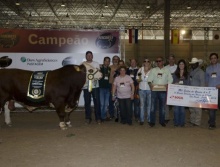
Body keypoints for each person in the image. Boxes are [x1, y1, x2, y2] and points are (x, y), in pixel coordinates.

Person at [147, 57, 173, 127]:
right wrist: (150, 85)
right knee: (153, 107)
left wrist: (167, 85)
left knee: (163, 107)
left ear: (163, 62)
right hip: (154, 90)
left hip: (163, 90)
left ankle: (162, 121)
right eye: (157, 61)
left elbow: (170, 79)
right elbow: (149, 80)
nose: (158, 62)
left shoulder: (167, 70)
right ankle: (152, 121)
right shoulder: (153, 70)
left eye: (160, 61)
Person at [82, 51, 101, 124]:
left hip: (95, 86)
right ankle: (88, 117)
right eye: (88, 55)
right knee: (87, 102)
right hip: (86, 86)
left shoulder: (96, 64)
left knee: (97, 102)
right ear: (86, 56)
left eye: (90, 55)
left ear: (92, 56)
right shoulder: (82, 64)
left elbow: (98, 74)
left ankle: (98, 117)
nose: (89, 56)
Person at [205, 53, 220, 129]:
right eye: (212, 58)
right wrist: (206, 89)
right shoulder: (208, 69)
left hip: (219, 90)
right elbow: (206, 80)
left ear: (217, 59)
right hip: (211, 92)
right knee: (211, 108)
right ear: (210, 60)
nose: (213, 59)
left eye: (215, 58)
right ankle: (212, 123)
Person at [172, 59, 189, 127]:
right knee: (176, 109)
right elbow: (172, 83)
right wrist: (175, 83)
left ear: (184, 65)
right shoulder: (175, 74)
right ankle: (176, 122)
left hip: (184, 94)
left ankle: (182, 123)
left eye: (182, 64)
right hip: (176, 93)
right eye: (180, 64)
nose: (181, 65)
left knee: (182, 109)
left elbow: (188, 83)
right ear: (178, 66)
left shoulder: (188, 74)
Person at [189, 57, 205, 126]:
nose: (193, 65)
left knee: (197, 108)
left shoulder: (201, 72)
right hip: (190, 92)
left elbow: (202, 83)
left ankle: (197, 122)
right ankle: (192, 120)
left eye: (194, 63)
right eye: (192, 64)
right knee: (191, 108)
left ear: (198, 64)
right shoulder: (190, 71)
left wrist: (201, 93)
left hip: (197, 92)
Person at [137, 58, 152, 125]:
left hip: (149, 89)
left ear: (150, 62)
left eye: (148, 61)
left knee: (149, 105)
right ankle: (142, 120)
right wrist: (139, 80)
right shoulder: (140, 69)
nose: (146, 62)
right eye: (145, 61)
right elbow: (137, 79)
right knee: (142, 105)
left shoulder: (152, 70)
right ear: (143, 62)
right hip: (141, 89)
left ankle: (149, 119)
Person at [165, 55, 177, 123]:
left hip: (175, 87)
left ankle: (175, 117)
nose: (171, 60)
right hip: (168, 87)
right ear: (168, 60)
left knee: (175, 103)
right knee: (166, 103)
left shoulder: (177, 67)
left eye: (172, 59)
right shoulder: (165, 68)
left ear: (174, 60)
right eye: (170, 59)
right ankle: (166, 117)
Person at [99, 57, 111, 122]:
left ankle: (103, 116)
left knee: (106, 104)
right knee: (102, 104)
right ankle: (101, 117)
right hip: (101, 88)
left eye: (108, 61)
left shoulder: (109, 69)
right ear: (103, 61)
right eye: (106, 61)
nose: (107, 62)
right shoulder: (100, 68)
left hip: (107, 88)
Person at [108, 55, 120, 120]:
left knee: (119, 101)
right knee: (111, 100)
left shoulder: (121, 68)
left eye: (117, 59)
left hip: (119, 86)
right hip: (111, 85)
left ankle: (118, 115)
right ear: (112, 60)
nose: (115, 60)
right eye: (114, 59)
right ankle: (111, 114)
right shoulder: (109, 67)